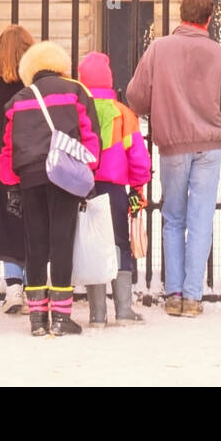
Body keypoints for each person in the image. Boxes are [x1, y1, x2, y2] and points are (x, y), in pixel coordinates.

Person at [126, 0, 221, 318]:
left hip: (172, 144)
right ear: (210, 18)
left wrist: (162, 107)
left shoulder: (158, 49)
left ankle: (173, 293)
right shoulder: (219, 53)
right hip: (209, 144)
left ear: (180, 15)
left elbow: (135, 96)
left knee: (173, 218)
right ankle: (193, 296)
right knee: (200, 218)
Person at [0, 41, 101, 336]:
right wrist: (89, 171)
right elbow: (90, 135)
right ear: (60, 64)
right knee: (61, 241)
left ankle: (37, 318)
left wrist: (12, 184)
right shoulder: (76, 91)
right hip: (63, 175)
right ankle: (61, 316)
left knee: (36, 244)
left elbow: (7, 148)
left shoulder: (18, 99)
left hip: (30, 177)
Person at [78, 50, 151, 326]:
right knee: (121, 244)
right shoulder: (124, 114)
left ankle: (97, 313)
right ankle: (123, 309)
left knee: (93, 243)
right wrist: (138, 184)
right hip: (116, 189)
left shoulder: (78, 111)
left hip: (85, 188)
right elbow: (138, 158)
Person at [0, 24, 34, 314]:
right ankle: (33, 283)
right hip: (33, 152)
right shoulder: (33, 79)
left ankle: (13, 288)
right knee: (32, 218)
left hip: (3, 153)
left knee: (6, 218)